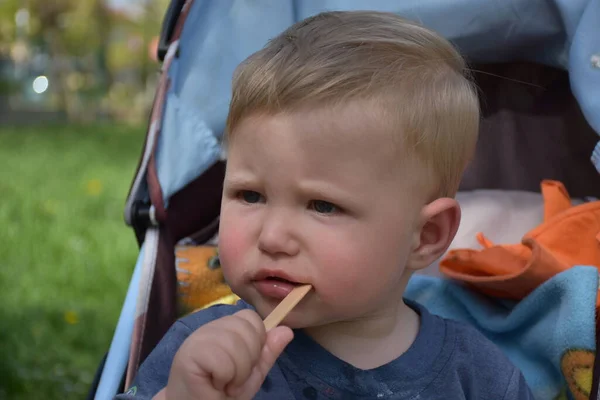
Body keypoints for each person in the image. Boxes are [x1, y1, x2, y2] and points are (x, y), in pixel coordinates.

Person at [116, 10, 533, 400]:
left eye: (322, 206)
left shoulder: (479, 377)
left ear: (426, 236)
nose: (273, 237)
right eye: (251, 195)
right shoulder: (202, 358)